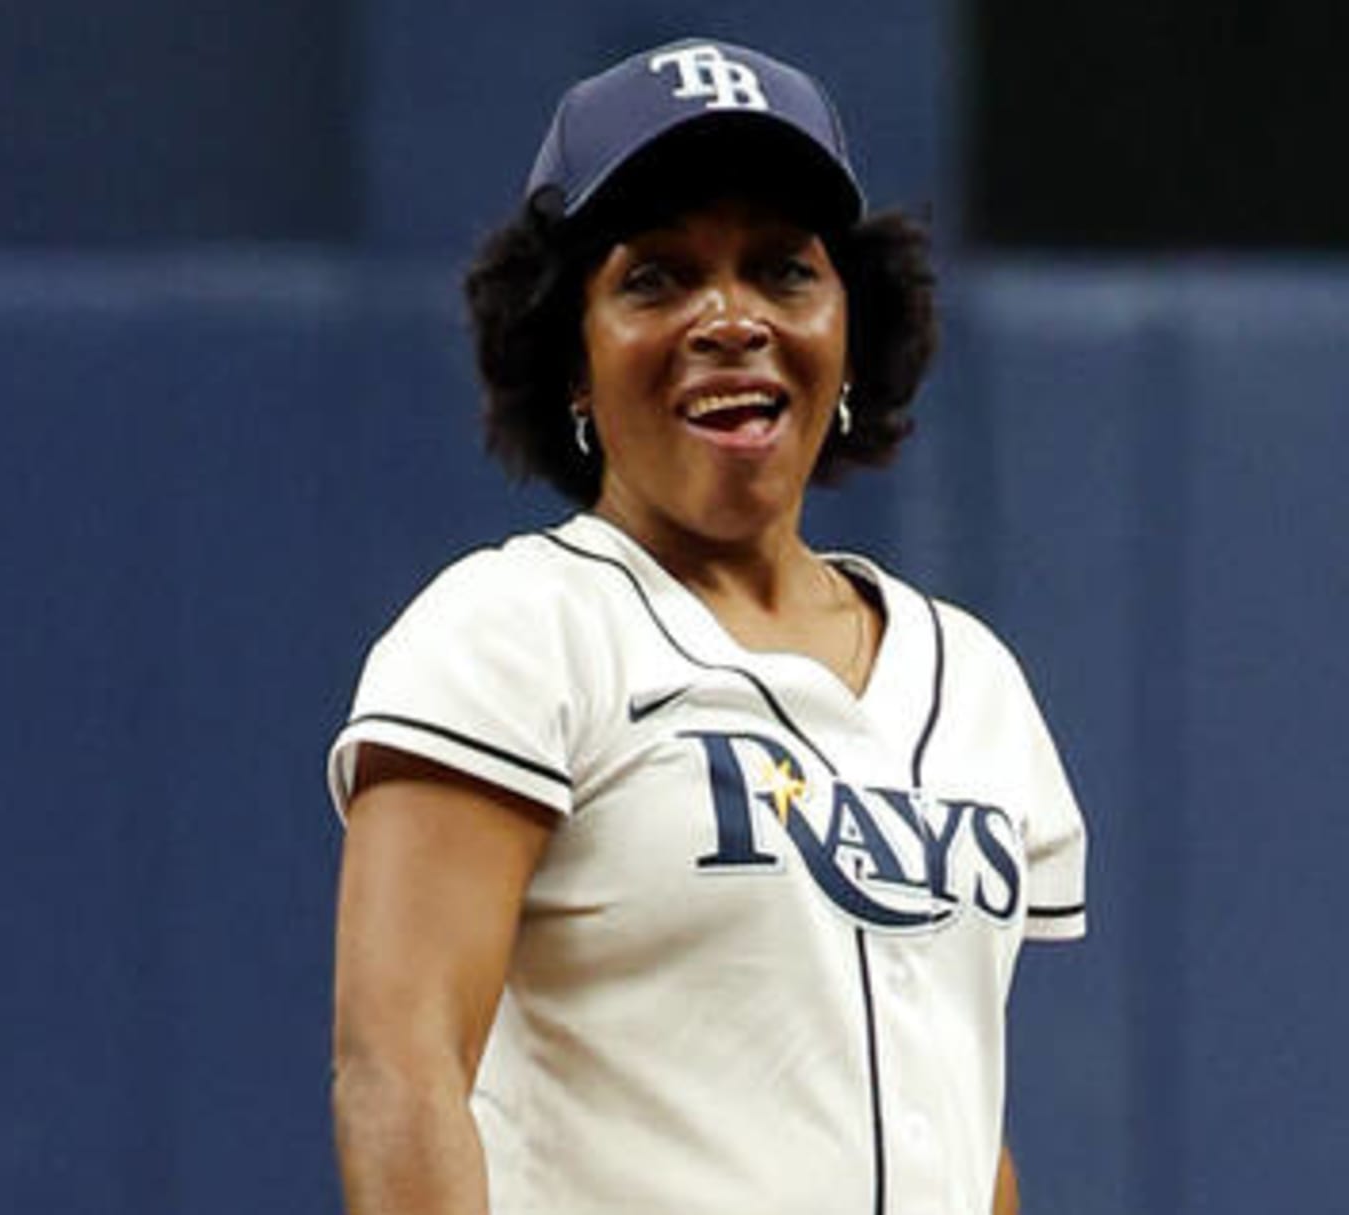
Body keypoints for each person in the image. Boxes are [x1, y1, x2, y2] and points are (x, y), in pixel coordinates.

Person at [327, 37, 1087, 1215]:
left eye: (784, 270)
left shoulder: (972, 679)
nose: (729, 317)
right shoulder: (516, 631)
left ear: (853, 327)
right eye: (655, 277)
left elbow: (957, 1117)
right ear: (567, 357)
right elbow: (399, 1071)